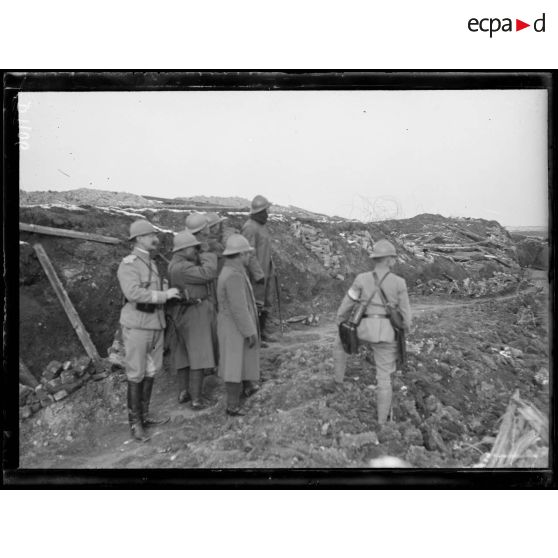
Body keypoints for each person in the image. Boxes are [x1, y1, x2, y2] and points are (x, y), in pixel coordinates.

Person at [334, 239, 412, 425]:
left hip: (363, 330)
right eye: (393, 258)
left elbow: (348, 302)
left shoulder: (361, 279)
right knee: (384, 378)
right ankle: (381, 422)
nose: (394, 261)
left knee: (339, 343)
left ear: (376, 259)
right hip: (387, 334)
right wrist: (404, 331)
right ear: (388, 260)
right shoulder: (399, 283)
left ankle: (337, 382)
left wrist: (340, 319)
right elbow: (406, 316)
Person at [117, 219, 180, 442]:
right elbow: (133, 293)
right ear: (140, 238)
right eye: (152, 235)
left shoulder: (150, 262)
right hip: (137, 325)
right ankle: (135, 425)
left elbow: (150, 289)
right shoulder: (129, 264)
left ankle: (144, 416)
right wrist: (164, 295)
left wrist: (163, 290)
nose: (156, 238)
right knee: (136, 373)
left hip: (154, 324)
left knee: (151, 371)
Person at [167, 229, 218, 409]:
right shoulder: (185, 267)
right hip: (194, 311)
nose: (195, 251)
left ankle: (184, 392)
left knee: (183, 355)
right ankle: (197, 399)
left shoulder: (174, 265)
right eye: (193, 249)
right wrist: (207, 253)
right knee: (199, 353)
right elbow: (209, 273)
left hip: (180, 312)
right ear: (183, 249)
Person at [217, 234, 261, 416]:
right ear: (240, 254)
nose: (249, 256)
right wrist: (250, 332)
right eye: (247, 253)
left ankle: (246, 389)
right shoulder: (234, 276)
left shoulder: (232, 271)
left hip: (233, 325)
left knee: (239, 360)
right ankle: (232, 405)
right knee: (233, 365)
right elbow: (239, 309)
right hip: (235, 327)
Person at [242, 195, 277, 344]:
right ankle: (255, 335)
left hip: (267, 271)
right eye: (266, 210)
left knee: (266, 303)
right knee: (256, 304)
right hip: (256, 274)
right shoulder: (250, 227)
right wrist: (257, 273)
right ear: (260, 211)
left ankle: (262, 332)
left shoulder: (262, 226)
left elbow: (265, 249)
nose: (268, 213)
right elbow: (249, 253)